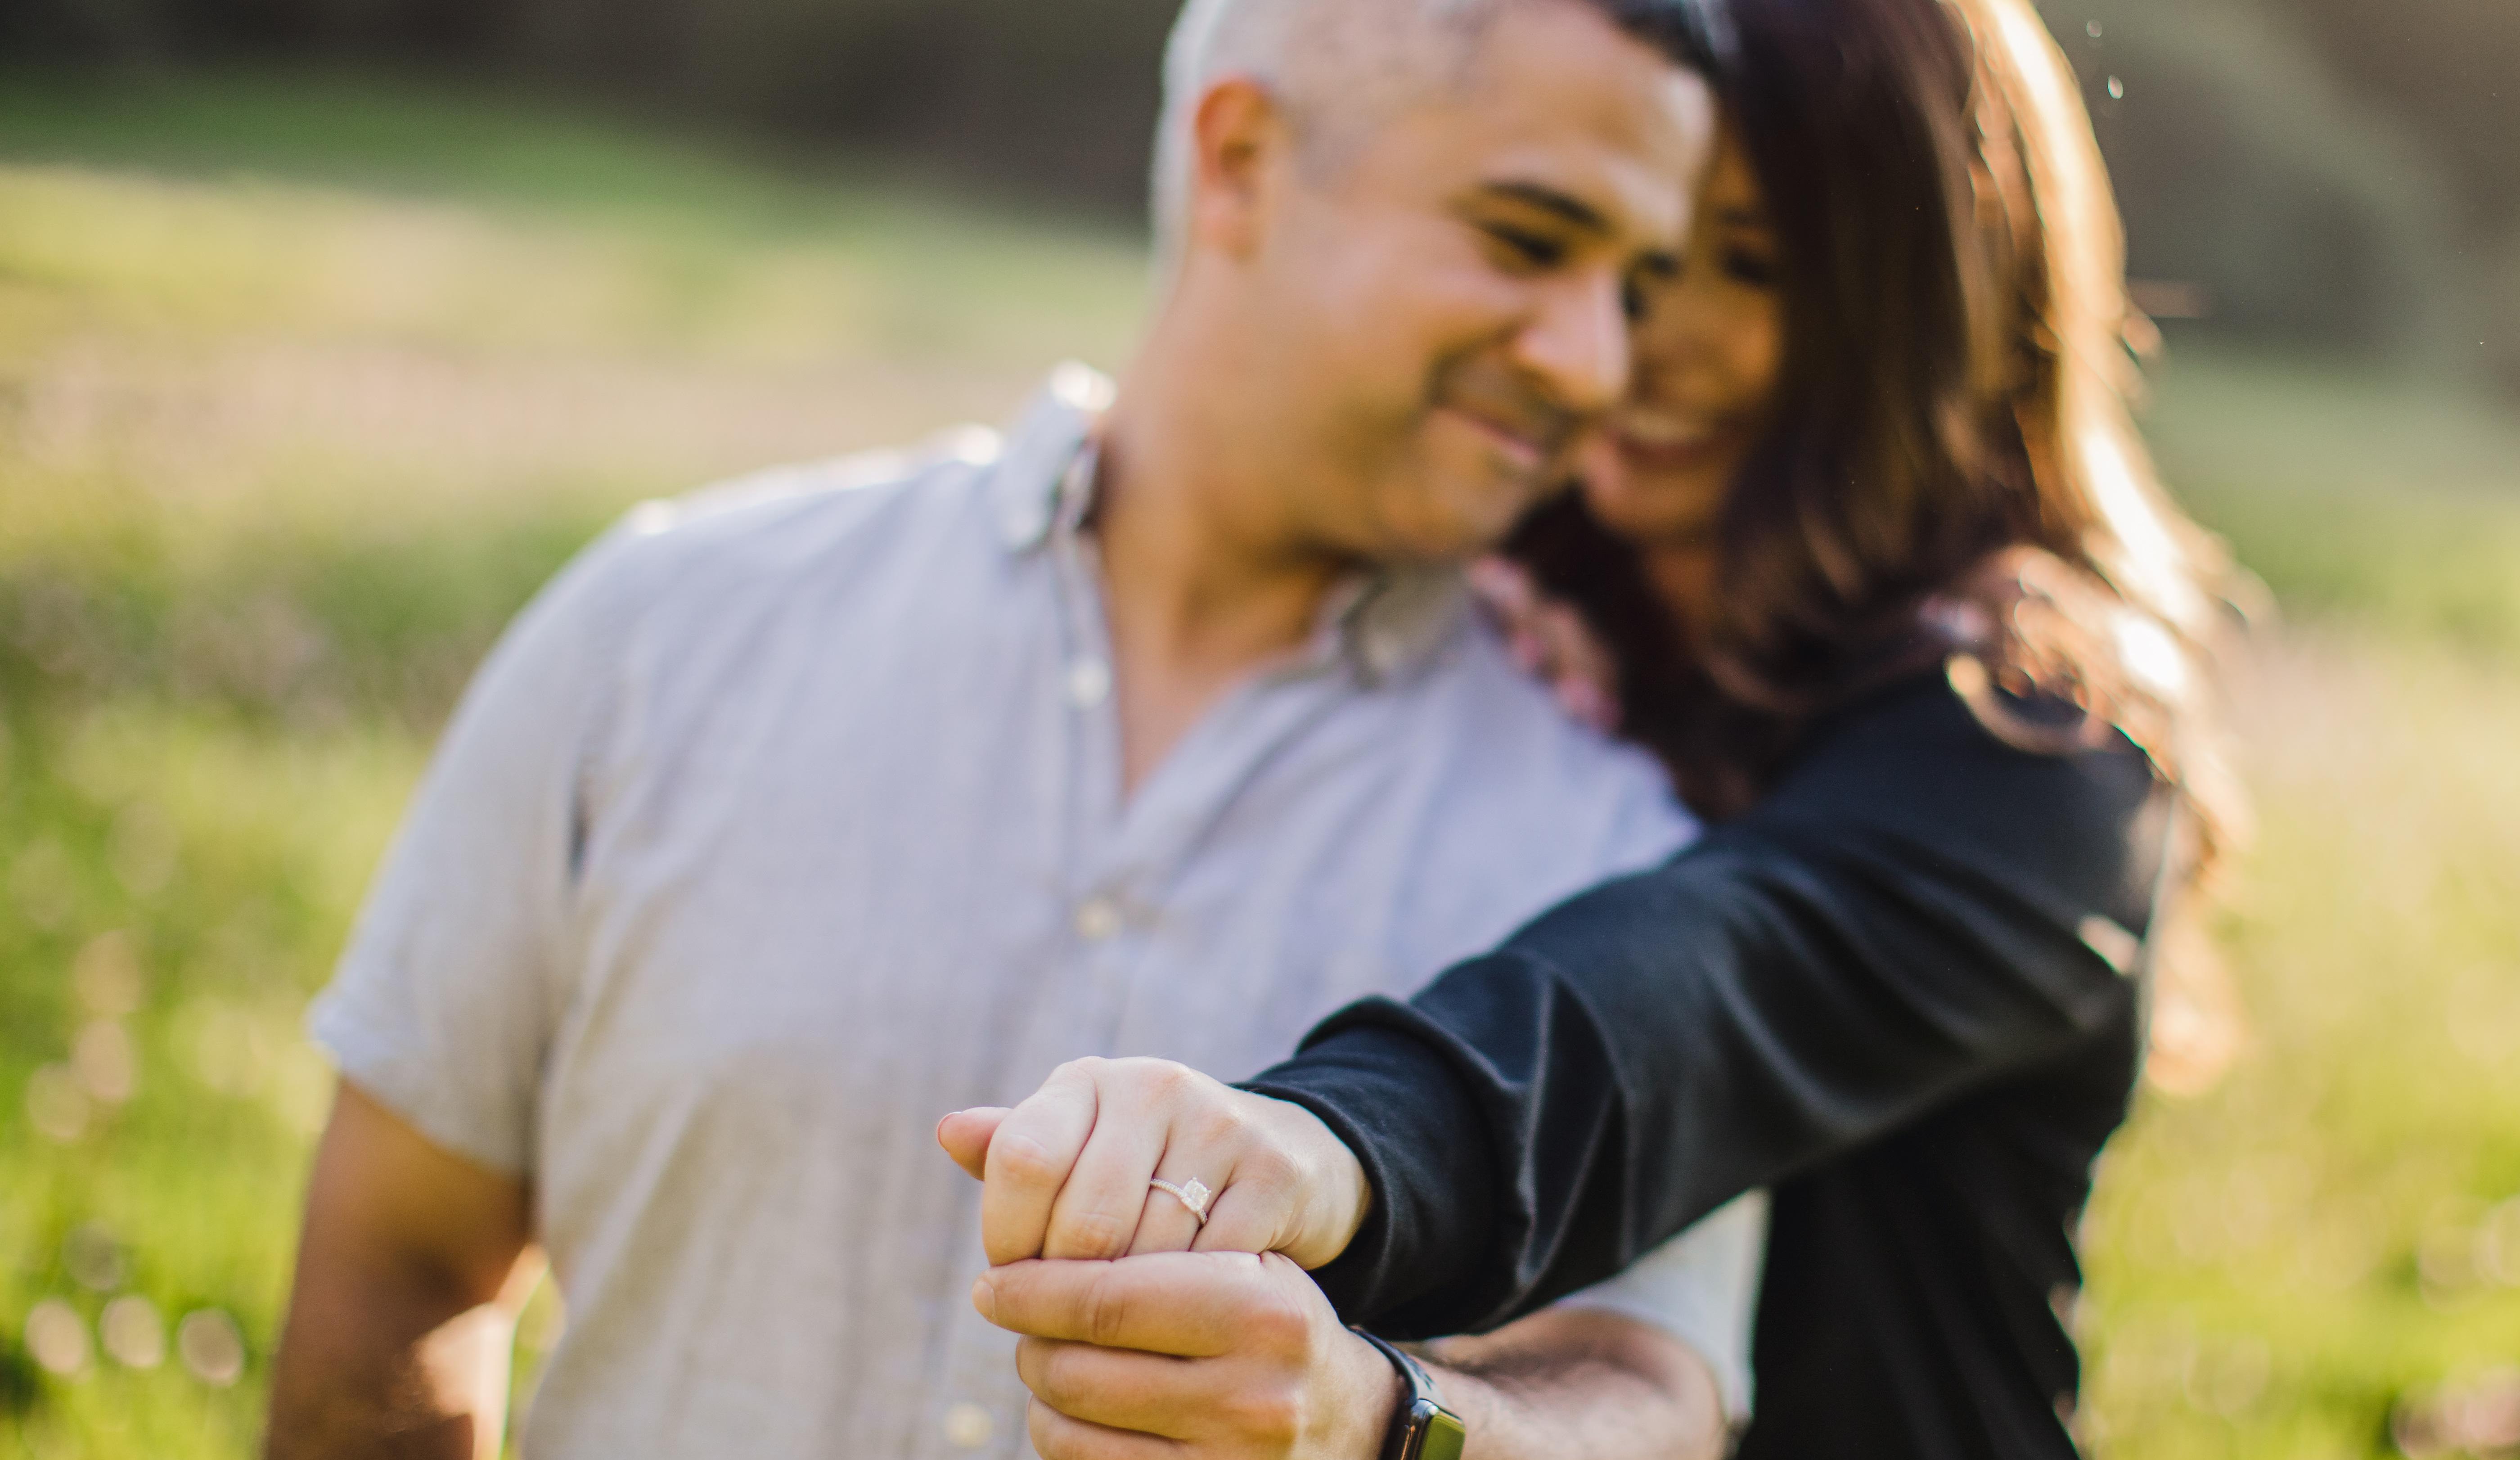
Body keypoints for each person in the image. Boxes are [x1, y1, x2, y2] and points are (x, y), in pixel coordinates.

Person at [262, 2, 1772, 1458]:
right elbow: (398, 1266)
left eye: (1634, 289)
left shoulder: (1627, 835)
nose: (1597, 364)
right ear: (1241, 161)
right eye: (1527, 240)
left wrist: (1388, 1426)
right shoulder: (661, 630)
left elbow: (1654, 1389)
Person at [943, 0, 2250, 1455]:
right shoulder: (1544, 621)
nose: (1627, 346)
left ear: (1918, 305)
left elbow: (1691, 998)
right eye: (1635, 262)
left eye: (1744, 265)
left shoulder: (2035, 736)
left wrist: (1326, 1145)